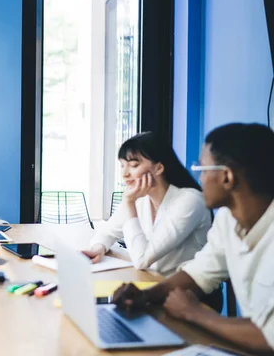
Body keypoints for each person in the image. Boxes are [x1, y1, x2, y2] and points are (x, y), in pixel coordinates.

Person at [112, 123, 274, 354]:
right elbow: (198, 273)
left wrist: (193, 312)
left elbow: (269, 338)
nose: (199, 179)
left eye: (204, 170)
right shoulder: (228, 220)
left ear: (227, 177)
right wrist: (145, 295)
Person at [84, 132, 212, 277]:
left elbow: (141, 260)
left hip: (188, 293)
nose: (125, 174)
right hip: (154, 285)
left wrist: (129, 204)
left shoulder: (190, 201)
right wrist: (98, 248)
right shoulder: (141, 199)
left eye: (133, 165)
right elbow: (106, 232)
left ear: (158, 168)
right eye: (122, 165)